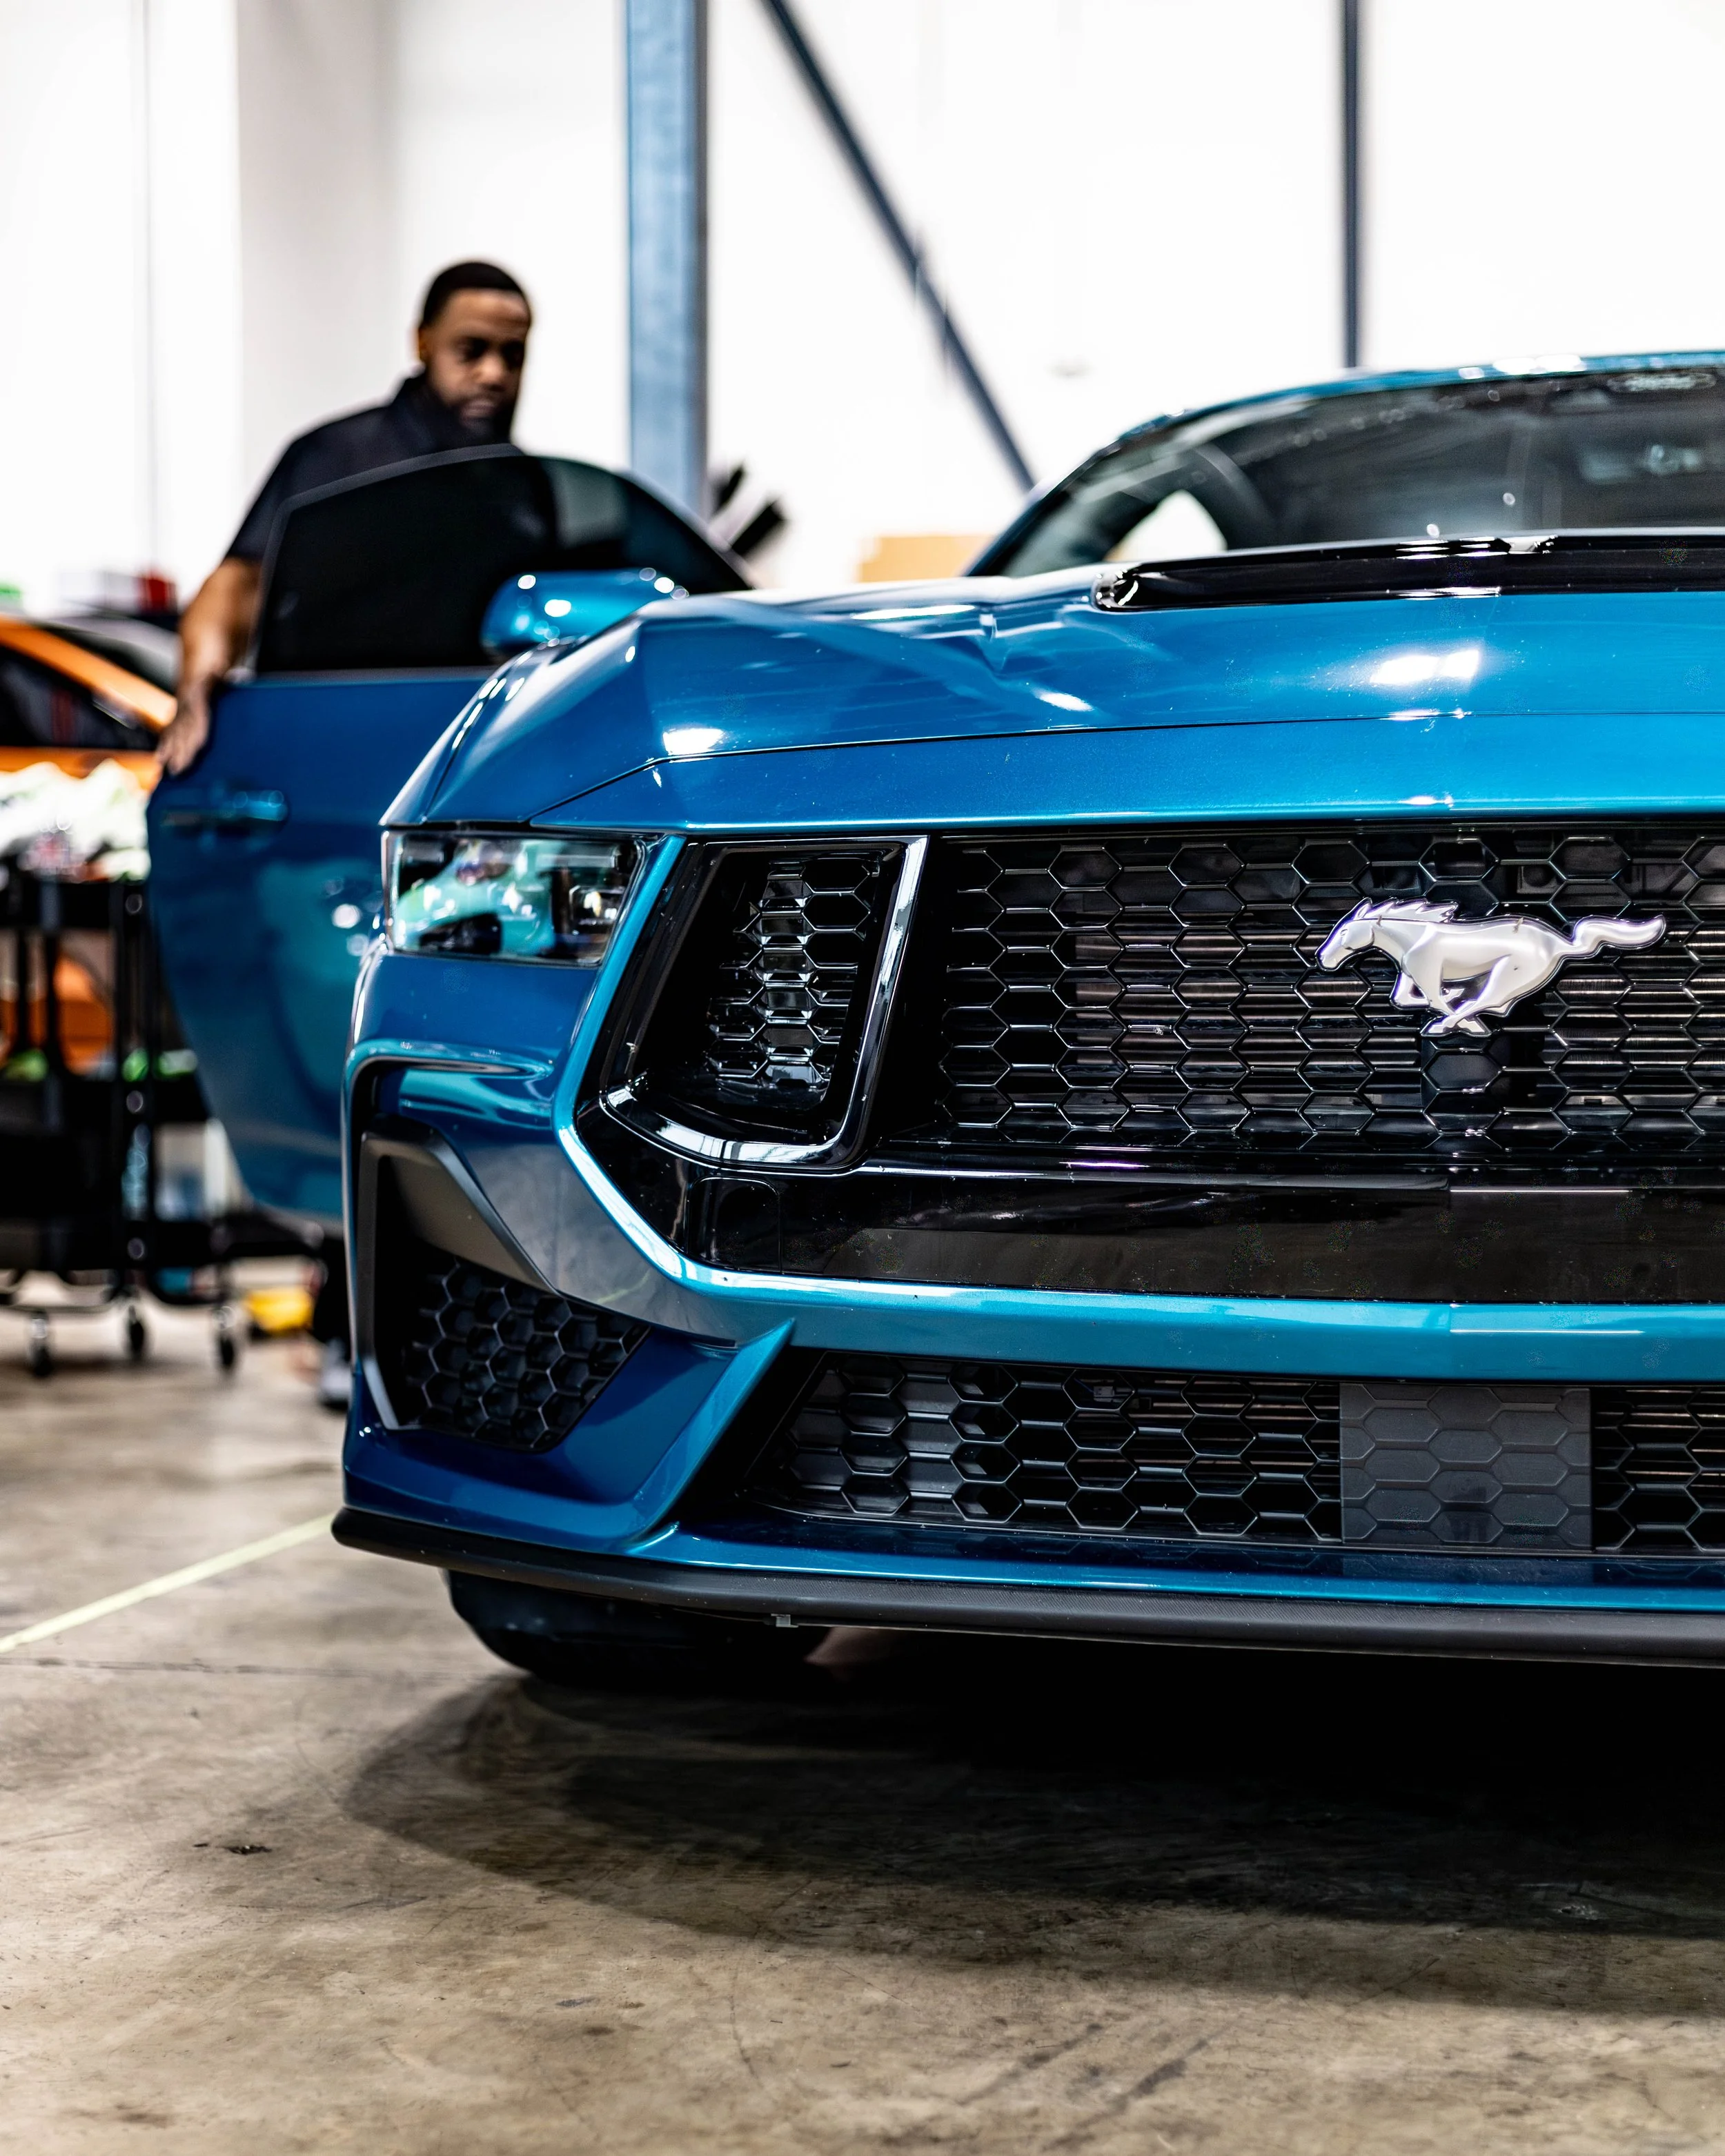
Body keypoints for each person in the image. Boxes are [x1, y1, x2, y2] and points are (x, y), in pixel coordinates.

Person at [157, 259, 532, 778]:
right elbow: (240, 582)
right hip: (328, 750)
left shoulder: (524, 488)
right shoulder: (339, 459)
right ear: (423, 344)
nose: (493, 374)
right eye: (471, 351)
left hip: (469, 761)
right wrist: (197, 687)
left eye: (512, 356)